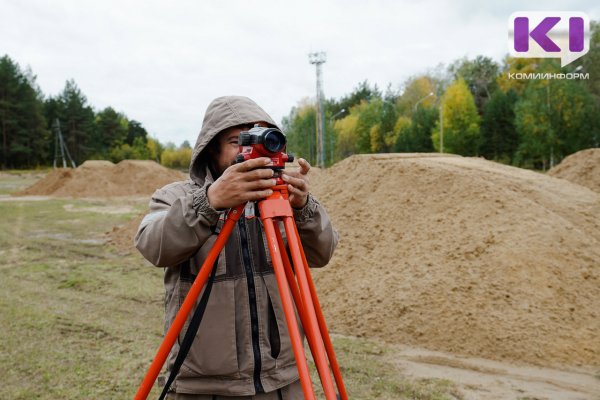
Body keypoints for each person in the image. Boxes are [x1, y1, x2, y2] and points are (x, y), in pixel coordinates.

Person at [135, 96, 339, 399]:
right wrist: (209, 202)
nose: (252, 149)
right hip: (204, 386)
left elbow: (322, 253)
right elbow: (153, 245)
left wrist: (303, 208)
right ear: (211, 148)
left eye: (262, 137)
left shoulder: (279, 197)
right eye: (238, 140)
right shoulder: (176, 196)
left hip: (282, 380)